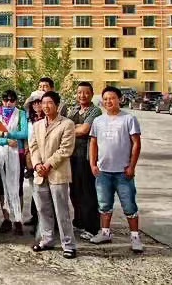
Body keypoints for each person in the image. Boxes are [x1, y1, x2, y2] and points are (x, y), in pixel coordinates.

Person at [89, 86, 143, 253]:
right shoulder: (98, 121)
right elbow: (93, 143)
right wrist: (93, 164)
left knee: (129, 205)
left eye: (112, 98)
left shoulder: (129, 119)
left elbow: (136, 144)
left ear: (120, 99)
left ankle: (135, 237)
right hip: (103, 172)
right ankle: (105, 233)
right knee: (104, 204)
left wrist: (132, 166)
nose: (108, 101)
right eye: (105, 99)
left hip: (123, 172)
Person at [29, 91, 77, 259]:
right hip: (40, 173)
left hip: (57, 172)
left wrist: (48, 164)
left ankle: (68, 244)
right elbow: (33, 147)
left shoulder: (67, 124)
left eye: (49, 103)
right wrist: (37, 165)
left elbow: (66, 149)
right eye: (43, 103)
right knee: (43, 209)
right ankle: (47, 239)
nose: (46, 106)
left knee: (61, 210)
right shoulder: (37, 125)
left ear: (57, 105)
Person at [66, 82, 102, 241]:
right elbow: (63, 127)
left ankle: (92, 227)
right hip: (71, 156)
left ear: (92, 94)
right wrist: (75, 128)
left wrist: (71, 129)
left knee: (88, 192)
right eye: (79, 92)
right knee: (74, 191)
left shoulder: (95, 111)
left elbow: (85, 130)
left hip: (87, 157)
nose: (82, 95)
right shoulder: (73, 109)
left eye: (86, 92)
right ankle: (79, 221)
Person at [0, 90, 28, 236]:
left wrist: (5, 134)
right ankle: (6, 218)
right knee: (3, 187)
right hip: (1, 155)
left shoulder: (21, 114)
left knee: (17, 186)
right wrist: (7, 140)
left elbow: (24, 133)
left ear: (16, 101)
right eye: (6, 100)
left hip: (17, 155)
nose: (8, 103)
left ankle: (18, 219)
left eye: (12, 100)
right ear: (2, 101)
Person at [23, 90, 45, 230]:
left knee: (43, 190)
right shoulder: (29, 119)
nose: (37, 105)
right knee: (34, 189)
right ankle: (36, 217)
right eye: (34, 103)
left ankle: (43, 222)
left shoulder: (47, 119)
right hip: (30, 156)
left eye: (39, 102)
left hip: (44, 157)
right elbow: (27, 137)